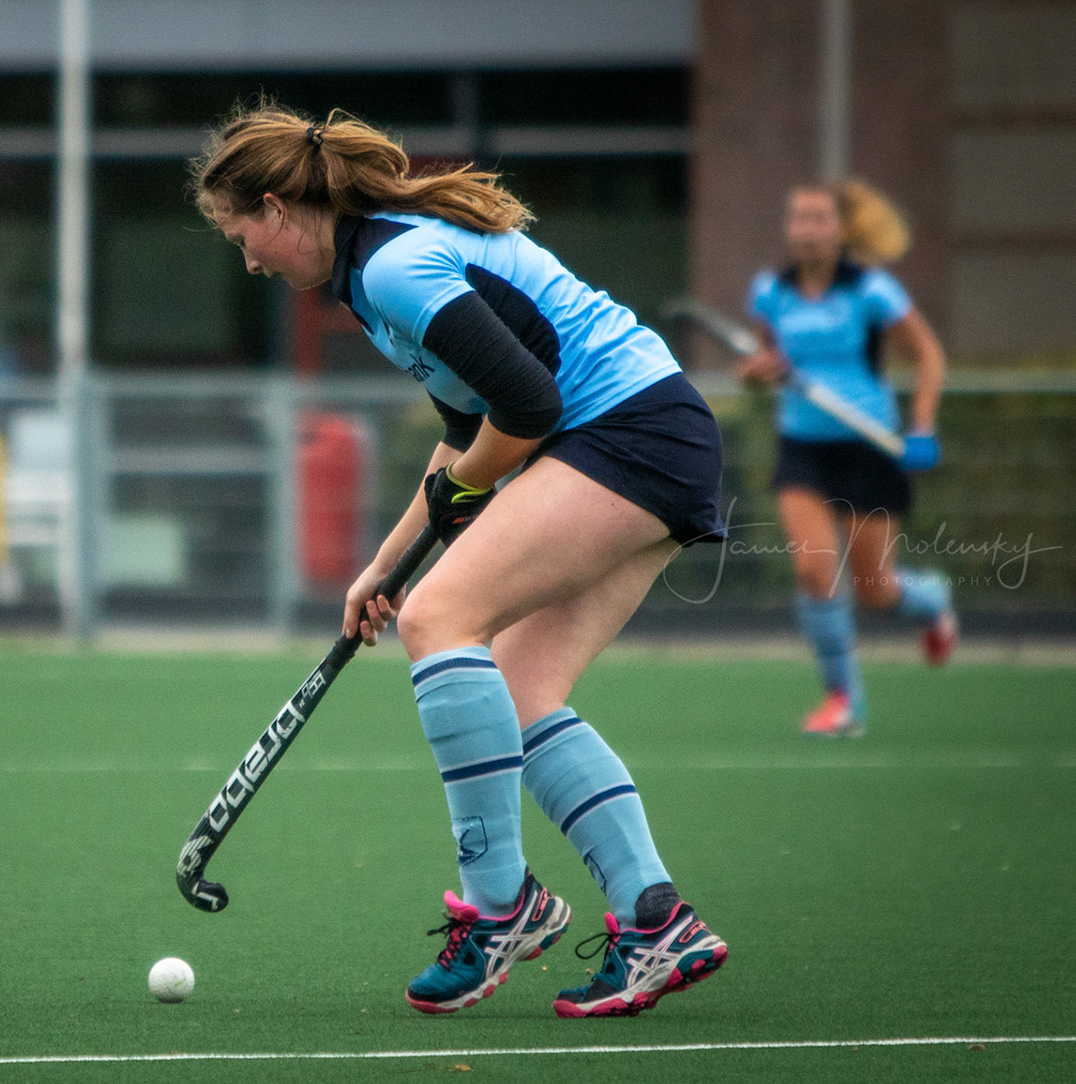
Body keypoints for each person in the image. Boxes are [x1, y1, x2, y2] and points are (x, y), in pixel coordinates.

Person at [192, 106, 728, 1019]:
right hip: (644, 437)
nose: (249, 262)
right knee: (517, 689)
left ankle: (500, 907)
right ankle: (656, 922)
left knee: (442, 619)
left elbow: (528, 407)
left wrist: (460, 501)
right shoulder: (370, 278)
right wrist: (385, 566)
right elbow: (470, 428)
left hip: (629, 433)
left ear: (277, 208)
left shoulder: (394, 267)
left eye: (244, 238)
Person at [740, 181, 954, 738]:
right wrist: (758, 373)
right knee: (814, 572)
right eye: (798, 218)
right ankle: (844, 700)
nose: (807, 229)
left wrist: (922, 427)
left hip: (869, 446)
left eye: (819, 218)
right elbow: (762, 365)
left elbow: (928, 354)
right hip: (801, 447)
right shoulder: (771, 293)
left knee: (875, 590)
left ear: (841, 229)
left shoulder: (872, 292)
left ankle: (931, 602)